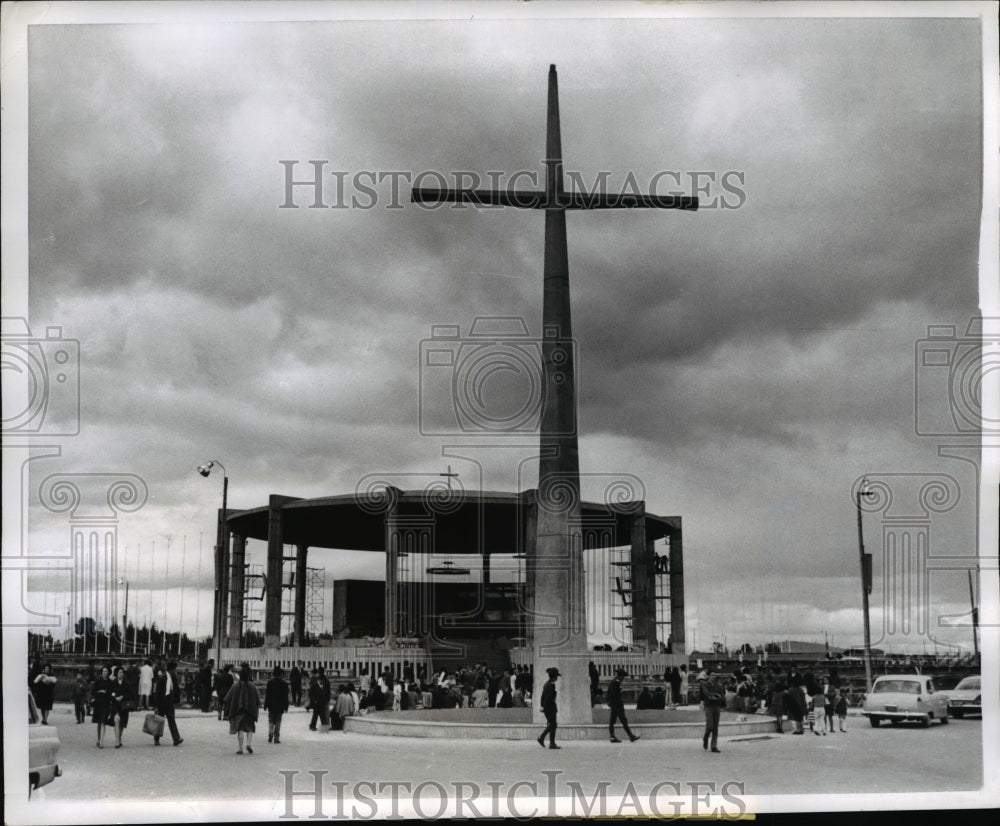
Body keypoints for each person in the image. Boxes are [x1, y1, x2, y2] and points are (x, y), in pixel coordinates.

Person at [224, 662, 260, 754]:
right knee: (250, 728)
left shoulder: (235, 686)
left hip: (238, 711)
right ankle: (249, 744)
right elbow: (257, 699)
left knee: (240, 729)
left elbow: (227, 698)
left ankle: (240, 749)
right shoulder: (252, 686)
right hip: (250, 711)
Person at [152, 660, 183, 746]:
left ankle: (176, 739)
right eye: (175, 670)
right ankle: (156, 739)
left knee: (171, 720)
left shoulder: (172, 678)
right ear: (172, 670)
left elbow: (175, 690)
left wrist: (176, 701)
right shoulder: (162, 678)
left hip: (169, 702)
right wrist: (156, 705)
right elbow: (157, 692)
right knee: (159, 721)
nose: (176, 672)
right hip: (161, 702)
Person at [607, 668, 640, 743]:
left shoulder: (614, 681)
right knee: (623, 721)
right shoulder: (615, 683)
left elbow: (610, 694)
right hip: (617, 705)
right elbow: (614, 695)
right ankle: (631, 736)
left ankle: (613, 736)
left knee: (613, 721)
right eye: (623, 677)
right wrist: (618, 702)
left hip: (615, 705)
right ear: (620, 676)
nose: (624, 678)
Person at [108, 666, 135, 748]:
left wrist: (123, 697)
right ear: (116, 673)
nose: (121, 674)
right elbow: (109, 694)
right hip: (115, 705)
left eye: (122, 672)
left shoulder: (127, 683)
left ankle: (119, 738)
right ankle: (117, 741)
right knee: (116, 720)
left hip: (124, 705)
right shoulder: (112, 683)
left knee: (122, 724)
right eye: (119, 672)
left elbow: (131, 695)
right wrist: (115, 698)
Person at [700, 667, 725, 753]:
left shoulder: (718, 686)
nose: (713, 677)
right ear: (708, 676)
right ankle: (705, 738)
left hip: (717, 706)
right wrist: (715, 695)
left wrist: (717, 697)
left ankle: (714, 746)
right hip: (708, 706)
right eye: (712, 675)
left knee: (715, 727)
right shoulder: (704, 684)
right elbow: (706, 694)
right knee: (710, 726)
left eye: (714, 675)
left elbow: (722, 695)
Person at [537, 667, 561, 749]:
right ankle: (542, 737)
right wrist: (543, 706)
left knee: (552, 724)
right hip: (550, 708)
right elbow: (547, 697)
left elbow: (542, 696)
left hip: (549, 707)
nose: (557, 677)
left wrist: (542, 705)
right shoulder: (550, 685)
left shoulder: (548, 684)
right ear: (554, 676)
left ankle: (551, 743)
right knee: (553, 724)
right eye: (556, 676)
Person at [264, 665, 289, 744]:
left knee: (271, 720)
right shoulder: (284, 684)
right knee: (278, 721)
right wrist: (286, 706)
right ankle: (276, 738)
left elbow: (267, 695)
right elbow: (285, 696)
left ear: (273, 674)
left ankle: (270, 732)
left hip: (271, 705)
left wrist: (265, 705)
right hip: (280, 706)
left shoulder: (270, 683)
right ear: (280, 674)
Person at [91, 666, 114, 748]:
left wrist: (106, 692)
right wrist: (99, 691)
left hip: (106, 704)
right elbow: (92, 691)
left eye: (106, 671)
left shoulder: (110, 682)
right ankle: (98, 739)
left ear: (108, 672)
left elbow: (112, 693)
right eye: (103, 671)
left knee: (103, 721)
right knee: (99, 722)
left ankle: (101, 741)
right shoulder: (98, 680)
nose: (104, 672)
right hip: (98, 703)